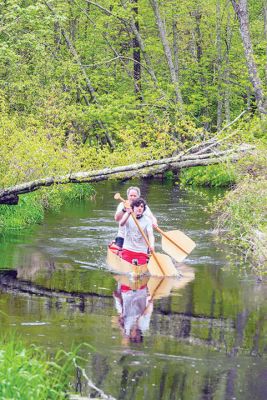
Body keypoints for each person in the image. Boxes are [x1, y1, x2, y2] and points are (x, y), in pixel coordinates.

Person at [113, 280, 153, 345]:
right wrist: (150, 299)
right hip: (141, 291)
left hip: (126, 291)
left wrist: (118, 299)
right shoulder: (144, 325)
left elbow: (121, 315)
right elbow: (148, 311)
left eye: (135, 337)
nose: (137, 335)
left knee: (127, 276)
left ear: (131, 336)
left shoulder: (126, 328)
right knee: (138, 275)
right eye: (139, 336)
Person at [120, 197, 155, 265]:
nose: (139, 208)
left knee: (140, 270)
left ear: (144, 209)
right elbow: (121, 224)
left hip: (141, 251)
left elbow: (151, 236)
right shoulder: (128, 215)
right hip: (128, 249)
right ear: (133, 207)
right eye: (137, 206)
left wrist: (152, 245)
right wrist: (128, 214)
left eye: (142, 206)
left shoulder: (147, 220)